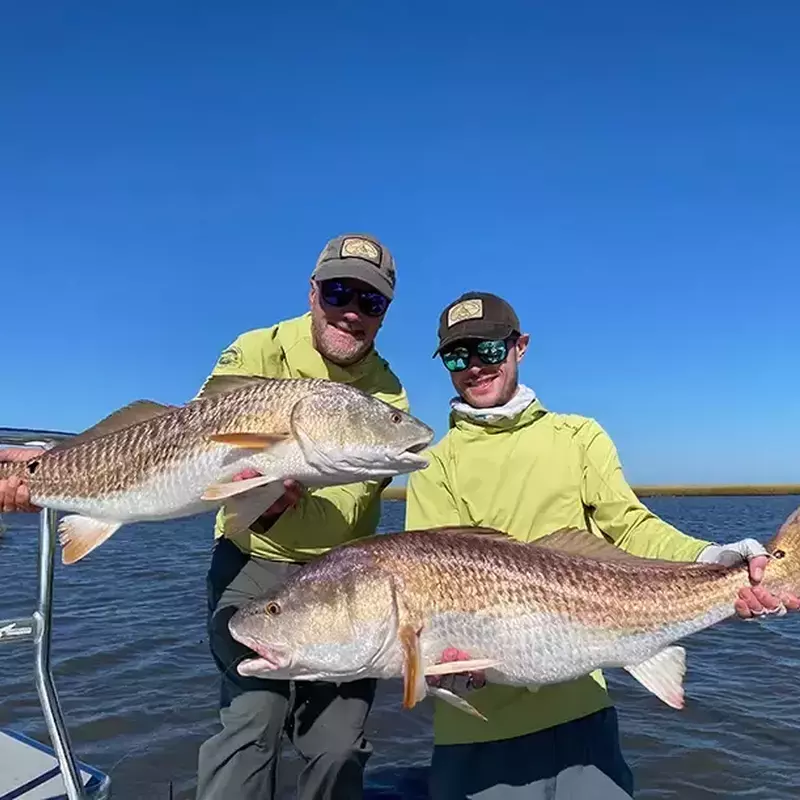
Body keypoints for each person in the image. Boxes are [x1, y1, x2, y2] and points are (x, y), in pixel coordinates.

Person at [0, 233, 409, 800]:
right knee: (251, 721)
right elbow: (185, 428)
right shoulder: (257, 348)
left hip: (341, 578)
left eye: (372, 302)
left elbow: (358, 488)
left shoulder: (389, 392)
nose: (352, 312)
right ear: (314, 292)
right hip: (252, 563)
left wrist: (282, 493)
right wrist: (44, 471)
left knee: (338, 744)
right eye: (340, 291)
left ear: (385, 313)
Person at [405, 290, 800, 800]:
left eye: (489, 350)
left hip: (583, 715)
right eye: (458, 356)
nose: (475, 366)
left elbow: (632, 528)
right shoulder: (434, 466)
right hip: (476, 732)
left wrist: (719, 562)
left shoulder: (579, 437)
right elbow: (429, 578)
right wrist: (437, 665)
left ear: (519, 347)